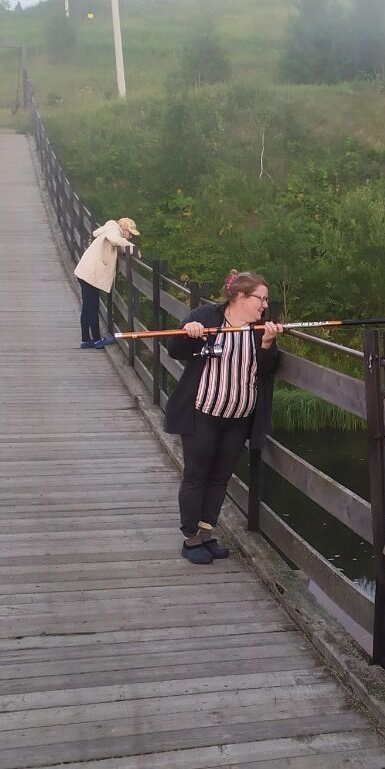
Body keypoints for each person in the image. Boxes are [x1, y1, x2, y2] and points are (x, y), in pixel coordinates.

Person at [164, 270, 283, 564]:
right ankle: (191, 538)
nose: (265, 305)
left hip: (239, 417)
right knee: (197, 475)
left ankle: (206, 533)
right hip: (203, 411)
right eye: (260, 299)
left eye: (266, 300)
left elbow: (267, 370)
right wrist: (189, 332)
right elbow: (175, 350)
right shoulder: (207, 316)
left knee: (220, 478)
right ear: (240, 296)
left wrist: (268, 346)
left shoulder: (261, 329)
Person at [73, 217, 139, 348]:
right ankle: (97, 340)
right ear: (124, 229)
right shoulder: (114, 232)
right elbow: (114, 239)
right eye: (130, 233)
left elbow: (115, 244)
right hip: (90, 275)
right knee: (92, 307)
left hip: (85, 273)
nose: (131, 236)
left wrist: (123, 249)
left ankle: (86, 340)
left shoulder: (110, 230)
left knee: (87, 307)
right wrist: (132, 248)